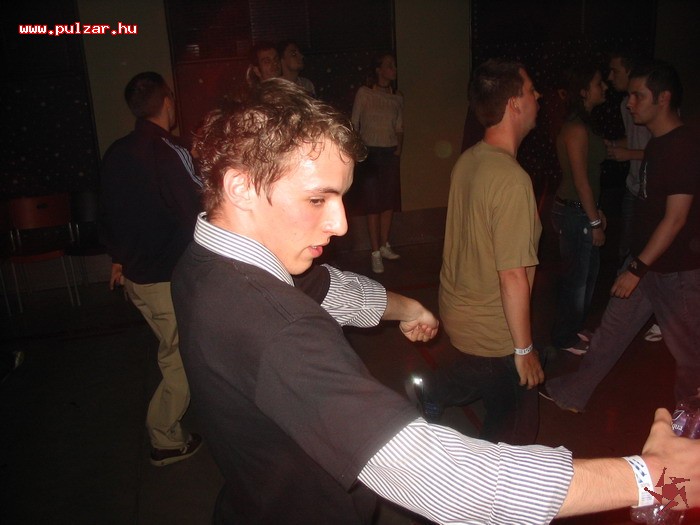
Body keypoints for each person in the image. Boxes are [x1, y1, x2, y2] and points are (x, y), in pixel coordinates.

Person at [171, 77, 700, 525]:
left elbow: (328, 287)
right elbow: (439, 478)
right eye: (317, 199)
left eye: (341, 197)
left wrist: (407, 308)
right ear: (240, 187)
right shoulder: (277, 329)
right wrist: (648, 478)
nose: (340, 224)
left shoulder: (205, 259)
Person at [544, 61, 700, 413]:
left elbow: (675, 219)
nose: (629, 103)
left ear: (663, 98)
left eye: (638, 95)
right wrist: (637, 265)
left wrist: (637, 268)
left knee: (691, 353)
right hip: (645, 264)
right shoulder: (658, 145)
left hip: (675, 272)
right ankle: (572, 394)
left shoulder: (683, 146)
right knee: (610, 333)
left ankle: (690, 420)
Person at [416, 59, 545, 446]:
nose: (538, 96)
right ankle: (487, 478)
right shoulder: (512, 180)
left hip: (459, 308)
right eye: (531, 90)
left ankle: (431, 391)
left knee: (477, 373)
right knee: (516, 431)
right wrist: (524, 350)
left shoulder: (469, 159)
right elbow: (512, 274)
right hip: (494, 327)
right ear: (515, 104)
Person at [99, 72, 203, 466]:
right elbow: (197, 211)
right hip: (165, 278)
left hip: (136, 277)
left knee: (172, 351)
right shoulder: (169, 150)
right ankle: (164, 438)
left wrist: (117, 257)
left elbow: (107, 212)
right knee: (179, 361)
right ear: (168, 102)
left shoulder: (116, 152)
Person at [550, 62, 608, 356]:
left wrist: (595, 212)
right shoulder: (575, 128)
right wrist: (594, 222)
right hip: (574, 212)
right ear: (584, 91)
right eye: (599, 83)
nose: (605, 87)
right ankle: (563, 337)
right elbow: (581, 180)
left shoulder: (584, 125)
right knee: (577, 280)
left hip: (581, 210)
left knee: (586, 277)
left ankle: (572, 328)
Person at [606, 50, 661, 344]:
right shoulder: (624, 104)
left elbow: (659, 149)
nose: (609, 77)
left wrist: (629, 153)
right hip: (633, 187)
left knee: (647, 254)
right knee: (629, 248)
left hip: (652, 191)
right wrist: (615, 145)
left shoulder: (654, 104)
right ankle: (624, 312)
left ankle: (657, 313)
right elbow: (637, 139)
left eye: (614, 71)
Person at [351, 53, 403, 274]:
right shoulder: (364, 93)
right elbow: (354, 123)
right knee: (373, 204)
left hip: (389, 153)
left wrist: (398, 150)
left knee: (388, 202)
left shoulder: (397, 97)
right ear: (378, 70)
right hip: (370, 154)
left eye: (394, 65)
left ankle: (383, 245)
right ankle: (374, 252)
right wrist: (357, 153)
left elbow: (399, 127)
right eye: (389, 65)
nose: (394, 69)